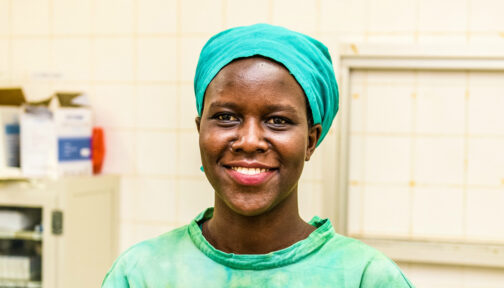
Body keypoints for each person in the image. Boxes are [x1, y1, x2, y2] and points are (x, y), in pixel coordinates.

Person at [102, 24, 413, 288]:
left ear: (310, 140)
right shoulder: (142, 274)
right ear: (200, 130)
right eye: (226, 117)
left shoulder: (365, 277)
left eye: (278, 121)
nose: (249, 141)